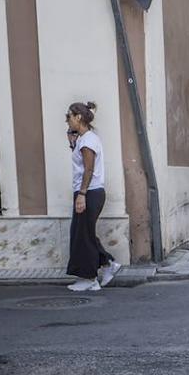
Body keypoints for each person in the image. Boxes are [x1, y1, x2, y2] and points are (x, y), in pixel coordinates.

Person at [65, 101, 120, 291]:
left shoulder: (88, 140)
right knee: (84, 234)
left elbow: (89, 169)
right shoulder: (84, 139)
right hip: (89, 192)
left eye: (69, 117)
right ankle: (108, 264)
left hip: (89, 192)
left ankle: (90, 280)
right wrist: (73, 144)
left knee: (83, 236)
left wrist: (81, 195)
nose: (68, 121)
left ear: (78, 117)